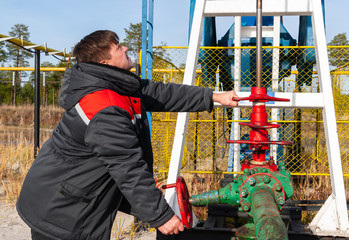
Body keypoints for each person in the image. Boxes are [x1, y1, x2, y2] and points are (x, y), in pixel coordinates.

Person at [17, 30, 238, 240]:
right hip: (61, 209)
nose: (125, 48)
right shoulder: (105, 107)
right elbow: (128, 168)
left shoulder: (116, 85)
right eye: (118, 46)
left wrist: (214, 97)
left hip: (70, 194)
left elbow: (161, 93)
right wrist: (161, 216)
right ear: (104, 62)